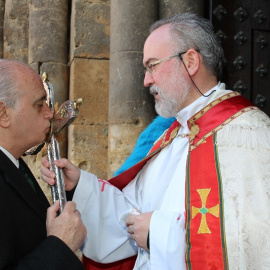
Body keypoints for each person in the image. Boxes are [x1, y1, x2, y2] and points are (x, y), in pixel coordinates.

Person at [41, 13, 270, 269]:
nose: (146, 80)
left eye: (152, 65)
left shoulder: (246, 135)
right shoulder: (172, 136)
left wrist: (157, 235)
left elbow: (251, 245)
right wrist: (81, 185)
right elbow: (131, 215)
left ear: (191, 61)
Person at [0, 59, 87, 269]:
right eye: (40, 105)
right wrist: (60, 245)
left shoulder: (14, 165)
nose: (50, 113)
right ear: (3, 114)